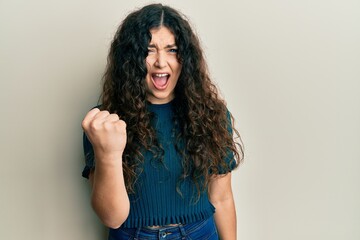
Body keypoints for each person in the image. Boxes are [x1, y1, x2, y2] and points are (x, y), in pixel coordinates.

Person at [81, 3, 243, 240]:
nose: (160, 62)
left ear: (185, 58)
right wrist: (109, 154)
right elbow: (112, 218)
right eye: (148, 50)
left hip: (199, 233)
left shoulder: (211, 115)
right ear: (131, 59)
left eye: (172, 50)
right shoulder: (104, 123)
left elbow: (222, 197)